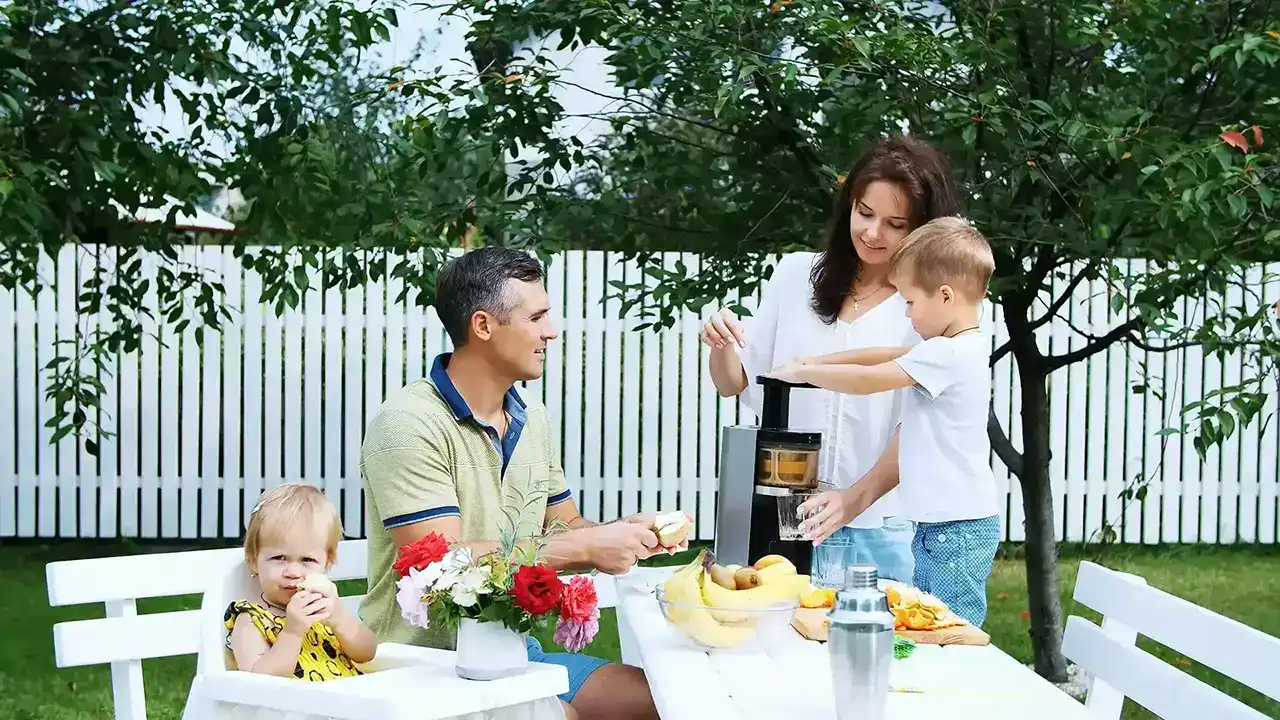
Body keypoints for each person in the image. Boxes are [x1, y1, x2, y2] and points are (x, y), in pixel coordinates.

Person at [358, 247, 667, 720]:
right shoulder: (407, 425)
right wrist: (587, 547)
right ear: (484, 326)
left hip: (512, 656)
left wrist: (625, 532)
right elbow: (444, 567)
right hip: (421, 668)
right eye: (537, 316)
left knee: (669, 703)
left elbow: (566, 527)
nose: (551, 330)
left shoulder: (531, 416)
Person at [701, 134, 963, 584]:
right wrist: (721, 342)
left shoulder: (929, 306)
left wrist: (852, 501)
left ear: (923, 228)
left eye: (895, 223)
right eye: (864, 213)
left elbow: (918, 428)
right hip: (787, 519)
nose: (872, 232)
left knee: (879, 648)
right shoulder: (794, 276)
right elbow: (735, 383)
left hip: (880, 527)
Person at [770, 216, 1002, 628]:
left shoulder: (948, 354)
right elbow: (883, 354)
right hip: (944, 522)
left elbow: (870, 380)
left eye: (910, 301)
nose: (907, 313)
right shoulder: (956, 344)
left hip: (956, 528)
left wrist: (809, 376)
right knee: (929, 621)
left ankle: (954, 691)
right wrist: (815, 360)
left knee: (951, 629)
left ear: (945, 297)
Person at [225, 483, 378, 680]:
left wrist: (339, 618)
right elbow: (260, 684)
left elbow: (367, 653)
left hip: (345, 706)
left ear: (327, 562)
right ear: (253, 561)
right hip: (294, 710)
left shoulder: (324, 611)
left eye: (307, 560)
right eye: (279, 558)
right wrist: (293, 632)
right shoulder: (251, 621)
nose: (293, 572)